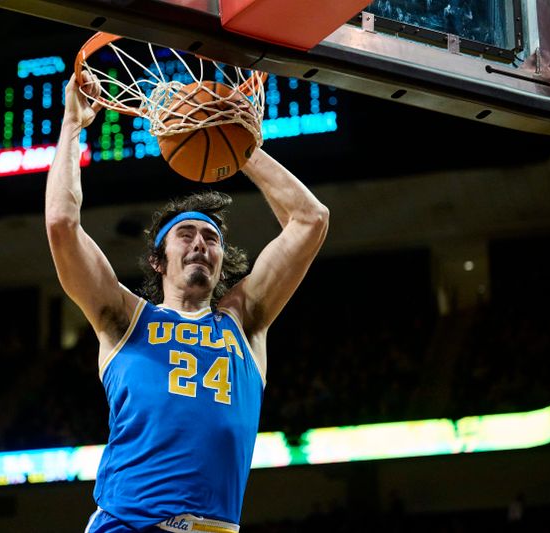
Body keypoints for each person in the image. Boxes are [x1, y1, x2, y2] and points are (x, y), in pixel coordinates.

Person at [45, 72, 329, 533]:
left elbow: (310, 219)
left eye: (211, 238)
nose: (200, 243)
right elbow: (61, 223)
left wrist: (236, 144)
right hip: (128, 525)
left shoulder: (245, 321)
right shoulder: (124, 319)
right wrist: (72, 123)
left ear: (221, 261)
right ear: (159, 260)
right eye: (186, 234)